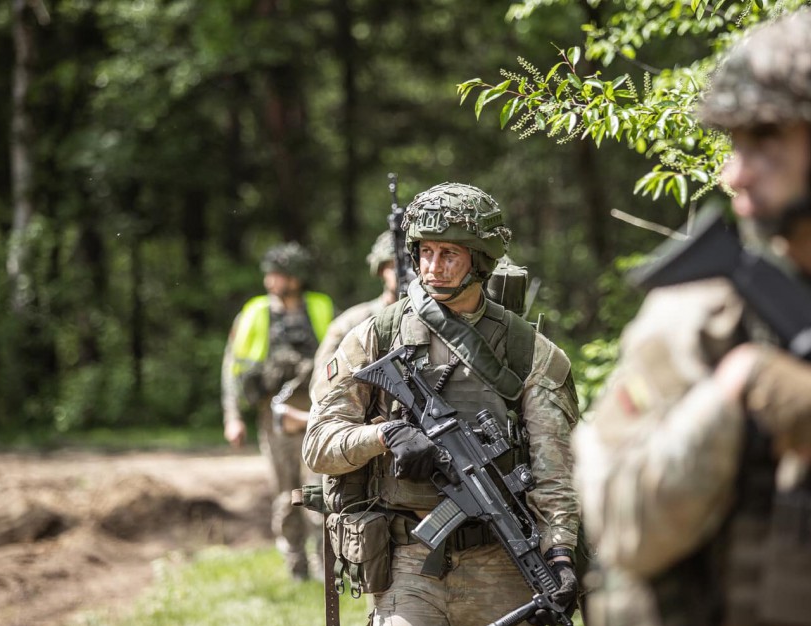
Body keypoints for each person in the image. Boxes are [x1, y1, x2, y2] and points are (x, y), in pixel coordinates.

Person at [573, 6, 811, 626]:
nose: (732, 172)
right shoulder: (701, 314)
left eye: (765, 139)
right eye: (734, 142)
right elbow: (622, 532)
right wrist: (734, 389)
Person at [304, 182, 581, 626]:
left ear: (481, 260)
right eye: (426, 252)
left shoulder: (529, 352)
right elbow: (318, 444)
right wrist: (385, 435)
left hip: (504, 562)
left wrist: (561, 554)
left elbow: (555, 472)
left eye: (449, 254)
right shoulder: (377, 336)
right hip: (409, 560)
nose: (433, 268)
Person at [221, 241, 335, 580]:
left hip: (316, 413)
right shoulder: (253, 313)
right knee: (287, 496)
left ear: (296, 278)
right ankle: (296, 565)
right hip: (273, 416)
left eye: (279, 274)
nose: (271, 280)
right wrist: (232, 416)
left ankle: (323, 564)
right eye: (270, 274)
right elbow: (232, 367)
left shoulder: (320, 308)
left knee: (320, 490)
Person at [307, 230, 398, 396]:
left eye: (414, 265)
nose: (406, 273)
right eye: (394, 266)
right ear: (380, 270)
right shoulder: (354, 322)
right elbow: (322, 387)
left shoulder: (443, 320)